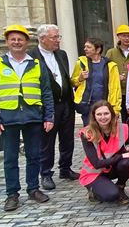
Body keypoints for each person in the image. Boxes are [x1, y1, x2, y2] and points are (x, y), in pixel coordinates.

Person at [0, 24, 55, 211]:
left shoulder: (36, 64)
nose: (16, 42)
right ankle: (12, 194)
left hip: (33, 116)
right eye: (13, 39)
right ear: (7, 42)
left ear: (26, 42)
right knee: (10, 159)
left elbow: (46, 92)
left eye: (20, 39)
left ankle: (33, 189)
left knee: (34, 156)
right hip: (8, 118)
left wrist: (49, 116)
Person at [27, 24, 78, 190]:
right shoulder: (31, 57)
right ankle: (46, 173)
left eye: (58, 37)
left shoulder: (61, 55)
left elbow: (64, 77)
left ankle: (65, 168)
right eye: (54, 37)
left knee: (67, 138)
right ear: (42, 39)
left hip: (66, 103)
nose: (58, 40)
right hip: (48, 106)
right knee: (47, 141)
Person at [78, 100, 129, 205]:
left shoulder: (123, 128)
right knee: (111, 195)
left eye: (106, 113)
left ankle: (120, 187)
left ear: (112, 114)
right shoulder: (87, 133)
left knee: (127, 162)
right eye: (99, 114)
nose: (103, 117)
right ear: (94, 116)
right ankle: (94, 190)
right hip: (94, 172)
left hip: (112, 168)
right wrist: (122, 155)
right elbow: (96, 164)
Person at [71, 38, 121, 125]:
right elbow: (72, 82)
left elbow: (115, 88)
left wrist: (116, 108)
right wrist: (80, 78)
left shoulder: (111, 65)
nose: (85, 49)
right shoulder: (81, 63)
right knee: (89, 133)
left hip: (105, 106)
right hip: (87, 106)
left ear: (98, 50)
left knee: (105, 134)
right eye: (85, 47)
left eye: (89, 47)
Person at [105, 24, 129, 121]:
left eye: (128, 36)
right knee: (125, 118)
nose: (126, 38)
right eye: (123, 36)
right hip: (119, 91)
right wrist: (115, 77)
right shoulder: (111, 52)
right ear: (118, 37)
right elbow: (105, 70)